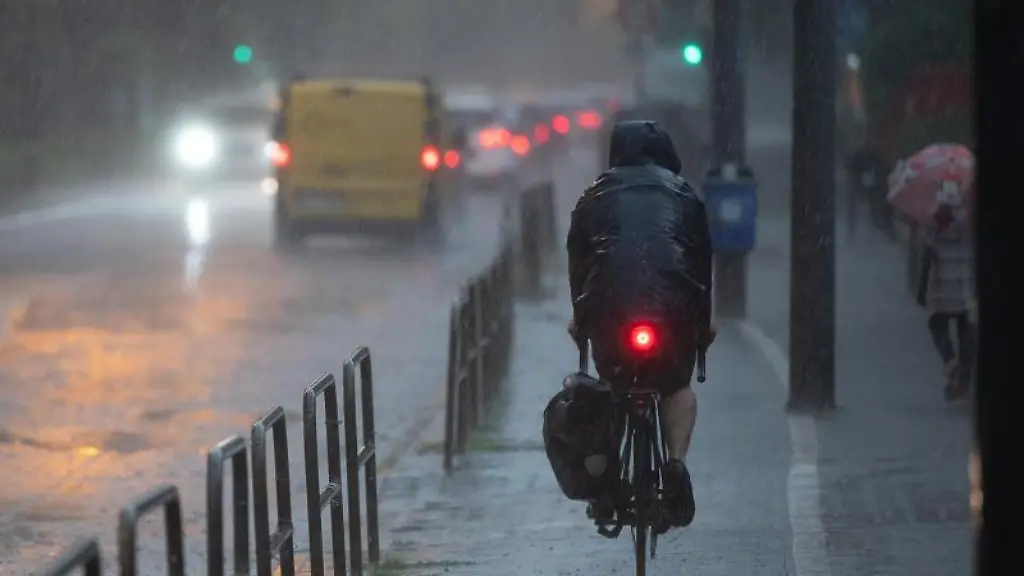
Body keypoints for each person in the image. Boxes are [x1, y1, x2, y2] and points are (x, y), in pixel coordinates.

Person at [566, 120, 715, 529]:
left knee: (611, 390)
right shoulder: (685, 196)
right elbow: (701, 263)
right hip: (673, 311)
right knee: (675, 387)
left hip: (610, 311)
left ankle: (609, 483)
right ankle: (677, 463)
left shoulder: (594, 195)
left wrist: (580, 317)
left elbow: (579, 262)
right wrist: (703, 323)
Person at [917, 188, 975, 401]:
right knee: (965, 330)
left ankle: (950, 361)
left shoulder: (934, 225)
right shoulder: (967, 224)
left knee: (936, 323)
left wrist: (921, 290)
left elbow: (926, 258)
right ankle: (962, 382)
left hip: (942, 288)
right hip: (964, 289)